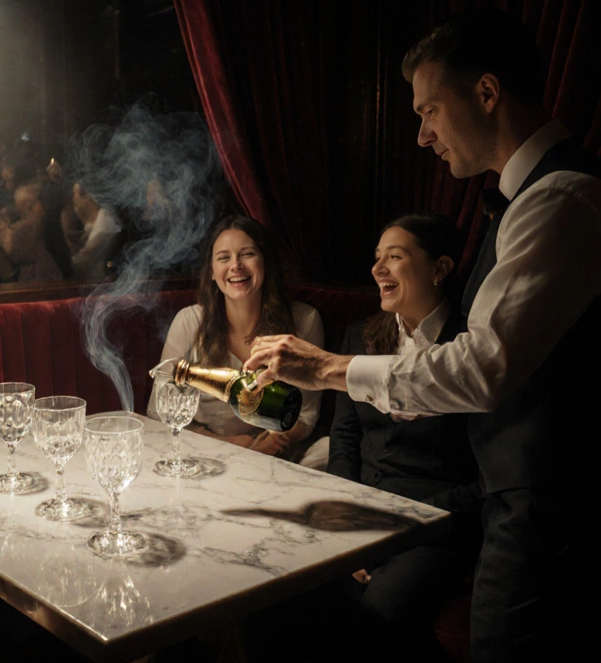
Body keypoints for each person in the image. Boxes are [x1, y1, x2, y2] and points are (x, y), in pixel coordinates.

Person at [244, 9, 601, 662]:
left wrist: (326, 369)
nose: (422, 135)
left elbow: (483, 368)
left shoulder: (565, 199)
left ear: (487, 93)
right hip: (530, 501)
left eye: (429, 110)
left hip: (564, 508)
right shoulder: (529, 199)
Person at [328, 213, 480, 660]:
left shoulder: (473, 348)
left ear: (440, 268)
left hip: (440, 523)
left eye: (394, 257)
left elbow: (490, 473)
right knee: (285, 597)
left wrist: (407, 525)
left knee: (380, 614)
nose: (378, 270)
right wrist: (345, 523)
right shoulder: (360, 336)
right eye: (377, 259)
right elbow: (344, 439)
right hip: (363, 514)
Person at [153, 215, 324, 461]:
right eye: (224, 258)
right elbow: (158, 409)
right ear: (212, 272)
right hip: (203, 453)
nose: (236, 266)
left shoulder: (304, 321)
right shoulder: (188, 322)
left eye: (247, 254)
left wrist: (271, 442)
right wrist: (229, 445)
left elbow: (306, 415)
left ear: (265, 263)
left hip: (277, 454)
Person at [68, 182, 123, 281]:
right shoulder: (95, 224)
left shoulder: (105, 227)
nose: (73, 199)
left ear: (87, 197)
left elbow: (79, 266)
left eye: (74, 194)